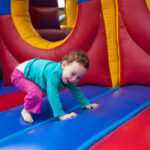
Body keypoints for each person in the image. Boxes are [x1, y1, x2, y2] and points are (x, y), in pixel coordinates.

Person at [11, 50, 99, 123]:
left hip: (33, 70)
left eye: (78, 77)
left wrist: (85, 104)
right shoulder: (54, 75)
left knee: (43, 89)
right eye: (73, 74)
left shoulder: (69, 75)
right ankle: (26, 110)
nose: (73, 79)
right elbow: (52, 95)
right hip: (20, 74)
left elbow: (75, 90)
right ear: (64, 65)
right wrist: (61, 115)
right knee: (36, 92)